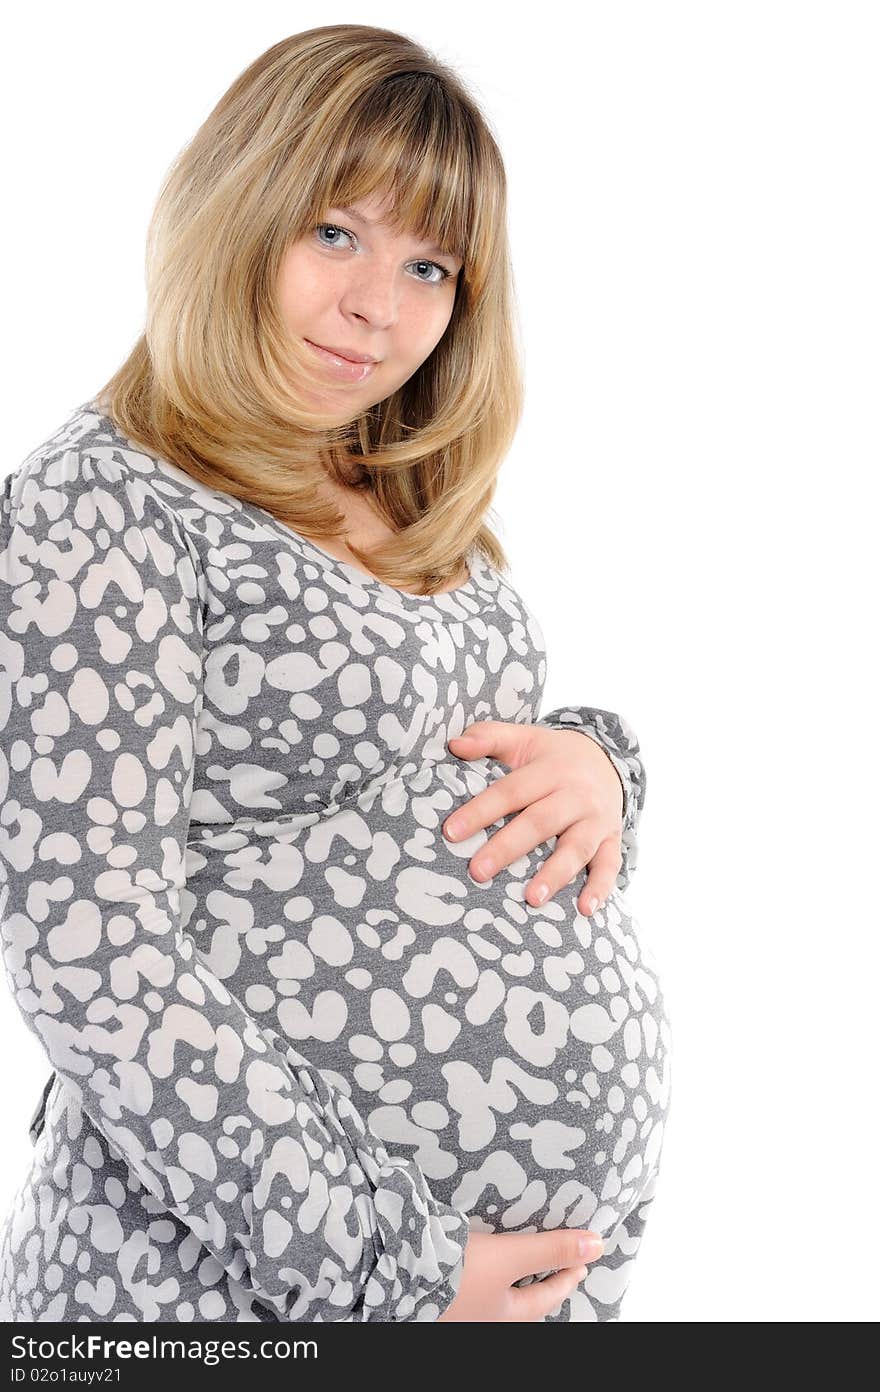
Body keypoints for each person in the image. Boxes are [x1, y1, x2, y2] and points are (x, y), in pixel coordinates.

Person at [0, 24, 671, 1323]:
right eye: (337, 233)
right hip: (217, 1293)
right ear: (241, 207)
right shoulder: (99, 512)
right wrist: (388, 1270)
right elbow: (91, 959)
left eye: (431, 265)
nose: (384, 305)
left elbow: (451, 781)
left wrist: (598, 765)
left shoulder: (397, 485)